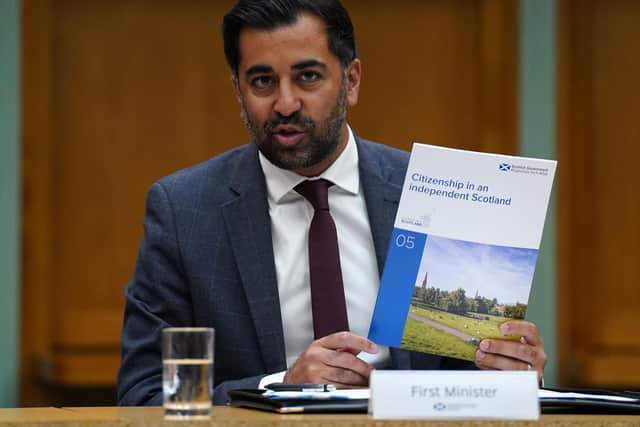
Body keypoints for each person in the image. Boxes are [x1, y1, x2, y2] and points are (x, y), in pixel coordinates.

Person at [117, 0, 547, 406]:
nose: (285, 103)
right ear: (238, 90)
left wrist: (511, 374)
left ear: (352, 80)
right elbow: (145, 396)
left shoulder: (436, 193)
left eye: (307, 77)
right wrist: (281, 386)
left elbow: (472, 383)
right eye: (263, 81)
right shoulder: (185, 212)